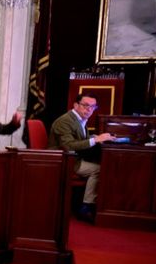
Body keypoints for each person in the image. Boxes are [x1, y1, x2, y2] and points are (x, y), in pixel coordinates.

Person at [49, 93, 116, 221]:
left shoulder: (79, 118)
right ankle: (86, 207)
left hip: (75, 157)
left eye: (93, 107)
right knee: (99, 169)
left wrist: (95, 137)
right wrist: (95, 140)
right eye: (85, 105)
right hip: (64, 160)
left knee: (101, 162)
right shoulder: (65, 121)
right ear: (76, 105)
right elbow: (69, 146)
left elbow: (79, 138)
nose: (89, 109)